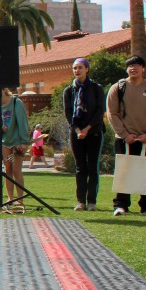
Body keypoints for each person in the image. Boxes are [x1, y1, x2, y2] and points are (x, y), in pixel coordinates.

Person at [107, 55, 146, 217]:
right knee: (124, 171)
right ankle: (121, 205)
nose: (133, 68)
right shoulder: (118, 88)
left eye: (137, 65)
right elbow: (112, 113)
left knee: (145, 172)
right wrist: (124, 134)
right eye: (130, 66)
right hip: (124, 139)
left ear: (143, 68)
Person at [62, 58, 105, 211]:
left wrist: (87, 129)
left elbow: (100, 111)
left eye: (80, 68)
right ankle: (81, 201)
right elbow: (68, 112)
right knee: (80, 167)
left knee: (92, 166)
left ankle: (91, 201)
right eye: (74, 68)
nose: (77, 71)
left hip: (93, 132)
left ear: (87, 69)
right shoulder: (69, 90)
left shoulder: (96, 88)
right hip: (76, 133)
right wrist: (77, 130)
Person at [0, 87, 31, 211]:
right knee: (7, 170)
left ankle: (20, 199)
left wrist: (24, 142)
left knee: (16, 170)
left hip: (18, 141)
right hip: (5, 141)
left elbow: (23, 123)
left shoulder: (16, 103)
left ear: (4, 90)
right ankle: (10, 197)